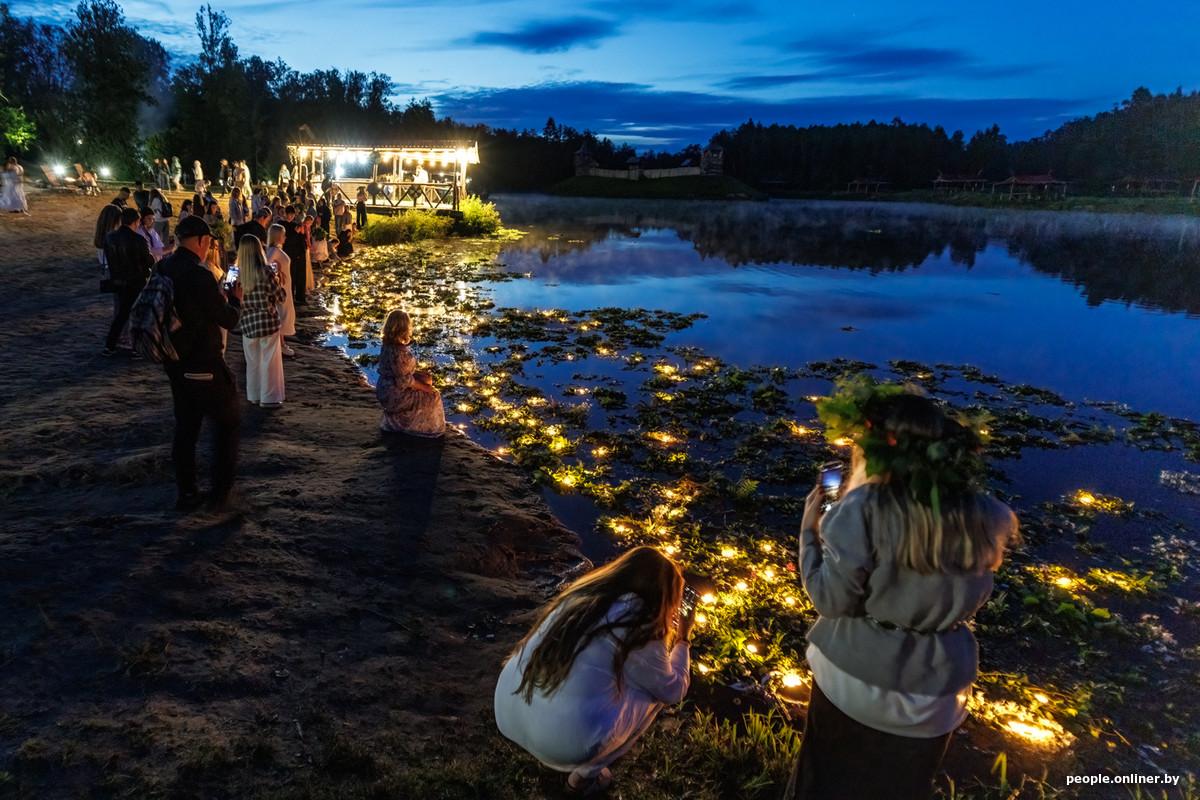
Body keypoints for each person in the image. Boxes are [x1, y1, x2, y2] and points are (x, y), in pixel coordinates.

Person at [782, 380, 1019, 800]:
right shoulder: (988, 517)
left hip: (852, 681)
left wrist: (809, 533)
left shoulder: (863, 507)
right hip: (937, 694)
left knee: (822, 783)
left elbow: (830, 600)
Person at [495, 546, 693, 795]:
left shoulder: (581, 595)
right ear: (664, 595)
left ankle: (555, 734)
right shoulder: (639, 626)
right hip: (560, 743)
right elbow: (673, 690)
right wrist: (683, 639)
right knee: (655, 694)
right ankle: (583, 779)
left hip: (508, 707)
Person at [157, 215, 243, 512]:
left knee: (186, 430)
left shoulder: (163, 266)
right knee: (228, 423)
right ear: (203, 241)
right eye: (209, 243)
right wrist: (236, 299)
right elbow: (228, 319)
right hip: (203, 364)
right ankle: (220, 495)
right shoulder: (199, 275)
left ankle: (187, 492)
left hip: (174, 361)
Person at [374, 309, 445, 437]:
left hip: (385, 387)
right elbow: (404, 381)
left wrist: (421, 376)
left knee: (426, 378)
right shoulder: (398, 353)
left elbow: (399, 372)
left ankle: (406, 420)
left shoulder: (387, 345)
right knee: (433, 396)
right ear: (404, 328)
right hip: (394, 394)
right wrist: (427, 388)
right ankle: (421, 428)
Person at [236, 235, 288, 407]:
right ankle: (269, 397)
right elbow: (280, 296)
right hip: (267, 320)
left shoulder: (235, 273)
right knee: (270, 361)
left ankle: (254, 394)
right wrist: (279, 281)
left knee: (252, 362)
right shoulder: (266, 271)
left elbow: (228, 295)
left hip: (247, 321)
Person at [102, 206, 155, 356]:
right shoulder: (139, 239)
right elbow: (148, 261)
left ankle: (110, 345)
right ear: (136, 221)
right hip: (136, 282)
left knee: (121, 314)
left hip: (117, 281)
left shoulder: (110, 237)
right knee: (136, 315)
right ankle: (133, 348)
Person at [266, 223, 296, 357]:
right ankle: (280, 344)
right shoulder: (274, 251)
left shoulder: (276, 249)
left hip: (285, 284)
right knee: (282, 312)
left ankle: (281, 342)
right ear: (278, 236)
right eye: (283, 235)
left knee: (284, 312)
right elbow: (265, 266)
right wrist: (276, 273)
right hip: (281, 286)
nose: (285, 237)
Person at [281, 207, 308, 306]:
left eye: (293, 214)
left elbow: (302, 238)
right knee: (291, 276)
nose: (291, 216)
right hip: (289, 253)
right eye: (290, 214)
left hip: (299, 253)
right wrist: (295, 233)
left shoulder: (295, 224)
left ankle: (301, 297)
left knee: (301, 276)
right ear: (286, 214)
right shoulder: (282, 225)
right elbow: (285, 241)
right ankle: (291, 297)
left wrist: (301, 233)